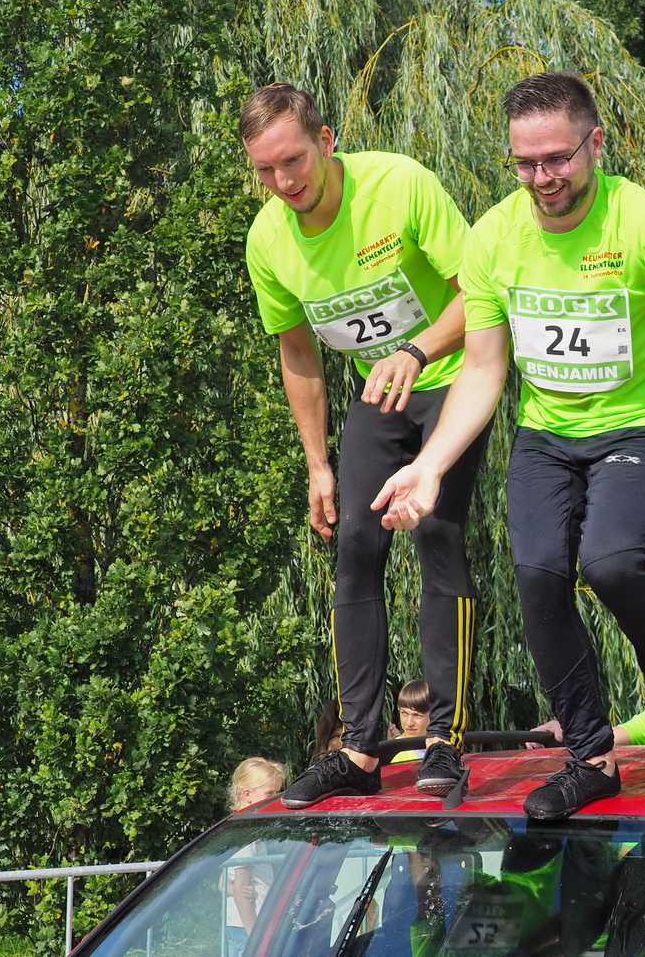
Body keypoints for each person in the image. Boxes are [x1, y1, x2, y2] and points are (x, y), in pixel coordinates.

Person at [371, 71, 645, 821]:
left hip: (637, 423)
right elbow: (484, 369)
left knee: (610, 563)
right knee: (539, 576)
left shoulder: (639, 220)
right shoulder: (494, 237)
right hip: (547, 434)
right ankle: (591, 756)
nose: (543, 177)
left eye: (558, 158)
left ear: (595, 144)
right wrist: (429, 464)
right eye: (525, 162)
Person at [241, 83, 490, 807]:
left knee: (436, 531)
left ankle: (445, 739)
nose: (283, 182)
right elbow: (298, 352)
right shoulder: (268, 239)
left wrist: (416, 349)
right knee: (355, 541)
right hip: (376, 395)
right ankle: (356, 746)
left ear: (326, 140)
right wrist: (317, 463)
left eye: (293, 160)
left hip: (450, 379)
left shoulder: (399, 184)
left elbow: (479, 294)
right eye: (264, 170)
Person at [224, 758, 285, 957]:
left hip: (240, 925)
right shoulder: (246, 835)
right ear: (247, 795)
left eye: (277, 792)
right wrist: (255, 937)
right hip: (250, 926)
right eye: (269, 793)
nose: (275, 798)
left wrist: (235, 888)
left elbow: (222, 882)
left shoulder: (235, 827)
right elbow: (241, 892)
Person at [389, 678, 432, 764]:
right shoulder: (396, 752)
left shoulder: (444, 747)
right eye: (404, 713)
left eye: (417, 715)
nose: (409, 723)